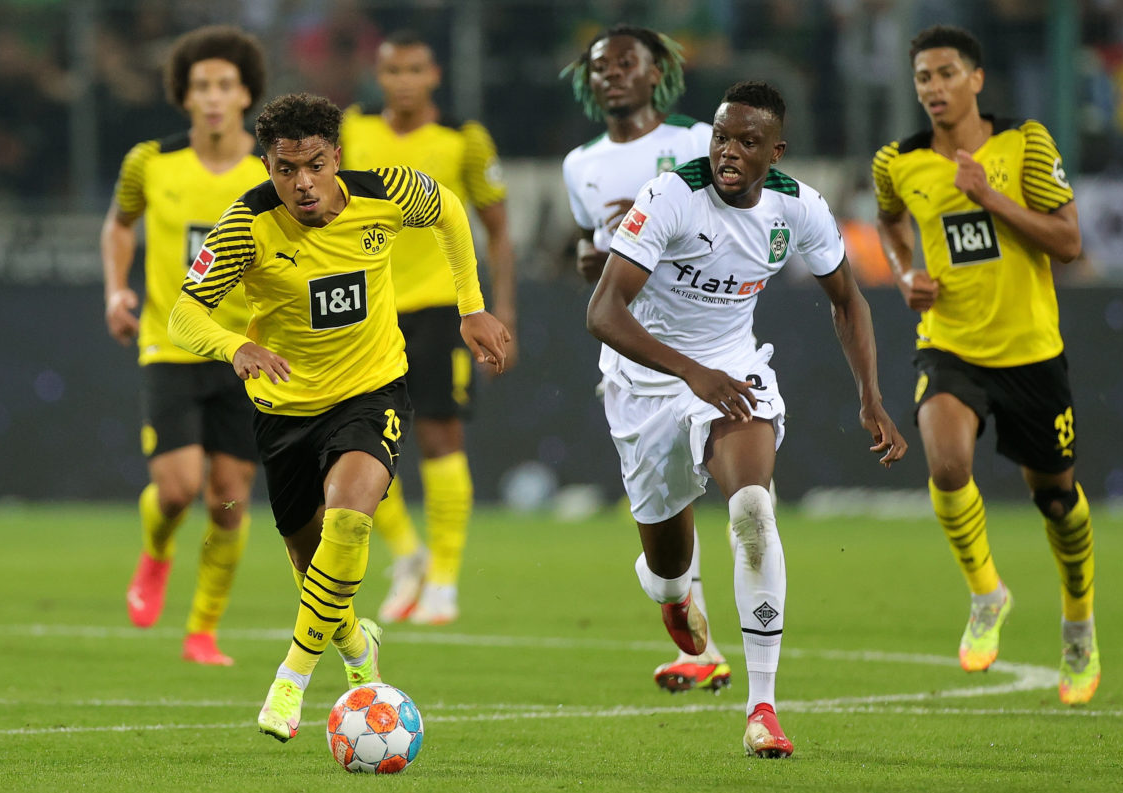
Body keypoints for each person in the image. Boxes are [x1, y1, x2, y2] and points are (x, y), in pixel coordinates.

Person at [168, 92, 509, 742]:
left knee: (349, 520)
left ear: (337, 158)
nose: (302, 182)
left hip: (371, 392)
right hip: (285, 412)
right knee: (316, 573)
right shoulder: (245, 224)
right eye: (285, 169)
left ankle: (290, 679)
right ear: (267, 167)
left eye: (315, 165)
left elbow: (449, 209)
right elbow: (184, 313)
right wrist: (234, 346)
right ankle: (356, 645)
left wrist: (471, 306)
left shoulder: (385, 192)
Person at [587, 80, 907, 758]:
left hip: (733, 373)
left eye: (746, 141)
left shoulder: (799, 208)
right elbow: (603, 312)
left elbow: (848, 301)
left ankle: (763, 707)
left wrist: (871, 396)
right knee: (669, 568)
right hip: (645, 384)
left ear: (776, 151)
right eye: (721, 138)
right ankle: (672, 593)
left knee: (753, 512)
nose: (728, 152)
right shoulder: (672, 195)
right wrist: (689, 372)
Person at [872, 25, 1098, 705]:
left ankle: (1079, 629)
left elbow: (1069, 241)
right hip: (951, 344)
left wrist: (991, 198)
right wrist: (903, 272)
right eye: (923, 77)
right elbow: (888, 221)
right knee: (946, 464)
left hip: (1031, 353)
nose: (933, 88)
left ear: (976, 79)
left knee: (1056, 501)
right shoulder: (897, 161)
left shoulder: (1025, 143)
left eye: (946, 73)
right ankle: (986, 594)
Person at [561, 24, 733, 695]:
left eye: (625, 62)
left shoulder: (697, 142)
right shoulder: (580, 164)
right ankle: (700, 643)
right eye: (599, 65)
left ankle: (761, 679)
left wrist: (656, 226)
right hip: (636, 356)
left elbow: (736, 224)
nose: (611, 73)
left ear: (656, 71)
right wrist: (592, 259)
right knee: (669, 507)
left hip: (709, 342)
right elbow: (594, 248)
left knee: (747, 494)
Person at [101, 25, 268, 667]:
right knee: (176, 490)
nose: (214, 97)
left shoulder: (270, 173)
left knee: (227, 499)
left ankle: (202, 631)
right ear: (185, 95)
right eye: (202, 86)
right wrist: (116, 290)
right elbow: (119, 226)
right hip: (169, 344)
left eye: (226, 85)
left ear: (246, 94)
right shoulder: (150, 161)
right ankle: (156, 552)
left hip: (244, 352)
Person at [339, 29, 517, 626]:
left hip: (442, 308)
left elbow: (497, 230)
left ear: (434, 75)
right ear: (379, 76)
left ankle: (443, 580)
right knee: (349, 438)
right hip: (367, 307)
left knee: (440, 437)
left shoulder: (463, 138)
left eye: (415, 69)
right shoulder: (351, 129)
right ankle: (408, 554)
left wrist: (502, 311)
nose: (404, 81)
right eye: (393, 71)